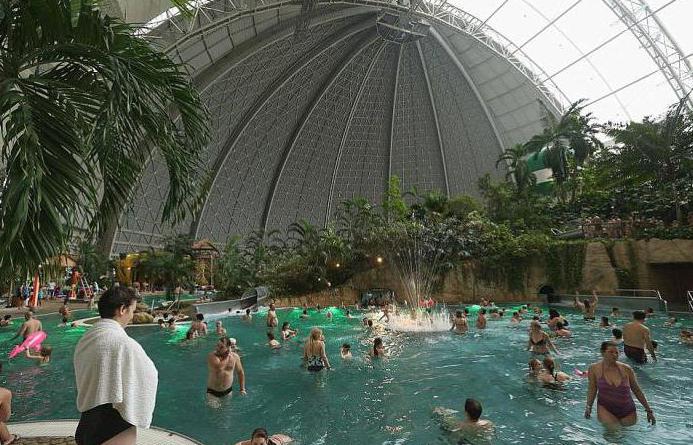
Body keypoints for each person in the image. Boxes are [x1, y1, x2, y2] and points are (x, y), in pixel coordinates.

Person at [74, 286, 158, 445]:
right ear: (122, 309)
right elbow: (149, 375)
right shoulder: (123, 344)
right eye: (132, 310)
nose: (132, 316)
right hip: (114, 426)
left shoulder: (87, 338)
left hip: (87, 422)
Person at [585, 341, 655, 427]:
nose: (614, 355)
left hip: (628, 409)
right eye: (611, 352)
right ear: (602, 353)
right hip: (605, 408)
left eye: (616, 353)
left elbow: (637, 390)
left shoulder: (627, 369)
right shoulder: (594, 369)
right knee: (613, 433)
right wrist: (589, 407)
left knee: (625, 437)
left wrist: (648, 410)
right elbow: (592, 388)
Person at [207, 337, 246, 402]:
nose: (218, 348)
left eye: (221, 347)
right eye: (217, 345)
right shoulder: (212, 356)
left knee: (226, 411)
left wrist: (242, 389)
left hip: (228, 391)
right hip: (213, 392)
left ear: (228, 347)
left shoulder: (235, 357)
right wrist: (228, 355)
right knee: (215, 411)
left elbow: (240, 372)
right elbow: (219, 367)